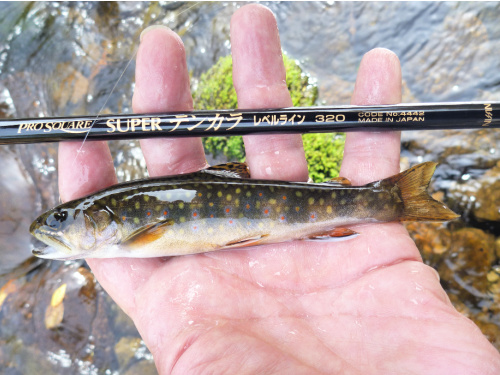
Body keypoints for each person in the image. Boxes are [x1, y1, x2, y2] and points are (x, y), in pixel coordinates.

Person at [57, 4, 500, 374]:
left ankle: (387, 199)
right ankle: (387, 199)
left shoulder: (133, 237)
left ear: (97, 220)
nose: (55, 226)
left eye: (62, 220)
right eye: (60, 219)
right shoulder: (126, 235)